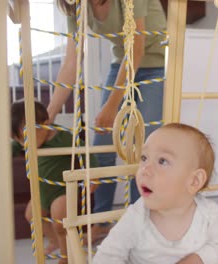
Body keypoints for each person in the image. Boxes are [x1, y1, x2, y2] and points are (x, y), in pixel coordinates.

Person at [49, 0, 166, 241]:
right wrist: (48, 116)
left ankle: (139, 223)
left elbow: (137, 48)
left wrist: (112, 105)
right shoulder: (76, 6)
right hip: (122, 63)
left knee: (143, 149)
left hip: (154, 64)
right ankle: (100, 221)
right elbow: (71, 63)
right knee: (101, 145)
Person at [93, 123, 218, 264]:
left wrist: (197, 259)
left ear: (194, 181)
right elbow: (106, 257)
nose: (145, 169)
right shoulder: (136, 218)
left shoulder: (207, 214)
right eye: (144, 158)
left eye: (162, 161)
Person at [11, 100, 97, 263]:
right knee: (31, 216)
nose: (25, 145)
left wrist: (92, 173)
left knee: (60, 223)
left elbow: (85, 151)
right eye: (21, 140)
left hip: (61, 191)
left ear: (45, 125)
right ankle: (54, 240)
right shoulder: (29, 140)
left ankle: (65, 255)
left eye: (28, 139)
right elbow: (14, 146)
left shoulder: (62, 136)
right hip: (42, 191)